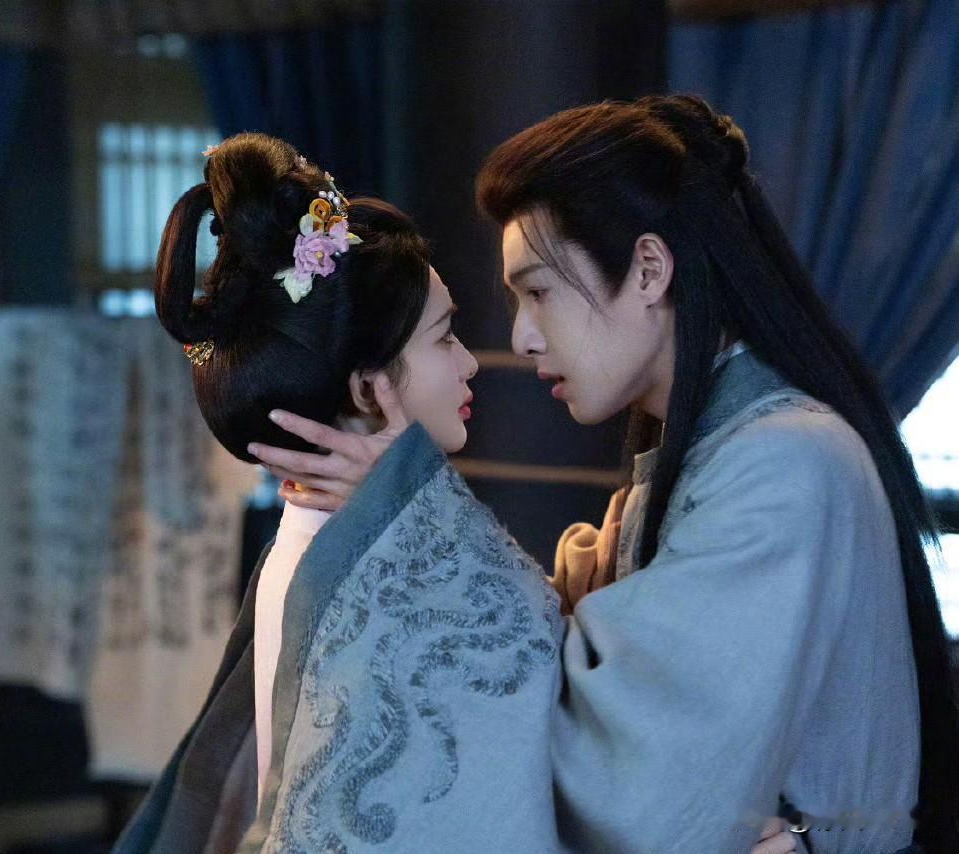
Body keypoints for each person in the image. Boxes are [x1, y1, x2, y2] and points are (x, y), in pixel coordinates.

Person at [252, 96, 957, 854]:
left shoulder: (786, 461)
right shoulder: (720, 454)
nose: (522, 336)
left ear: (649, 270)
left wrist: (418, 519)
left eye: (539, 292)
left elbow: (636, 772)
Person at [112, 132, 795, 854]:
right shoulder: (364, 576)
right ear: (369, 391)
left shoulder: (356, 547)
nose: (473, 362)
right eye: (443, 339)